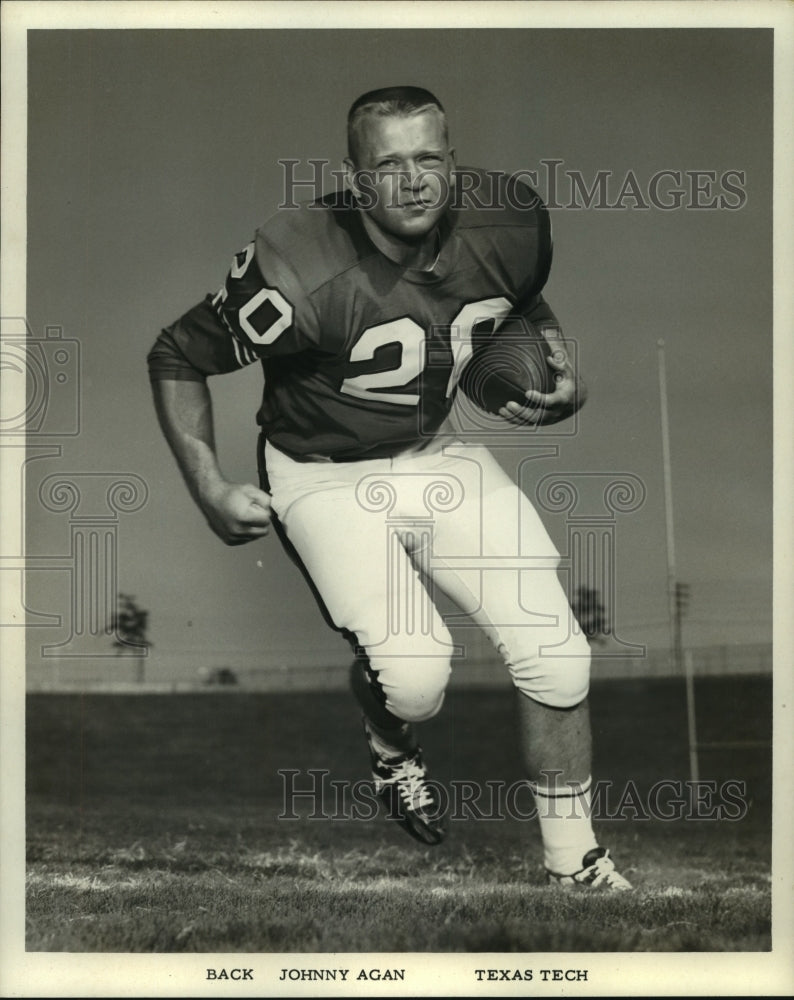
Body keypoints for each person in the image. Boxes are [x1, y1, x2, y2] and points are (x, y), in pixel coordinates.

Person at [147, 86, 632, 890]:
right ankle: (391, 743)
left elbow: (516, 292)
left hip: (435, 454)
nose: (413, 181)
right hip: (324, 474)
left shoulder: (509, 219)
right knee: (415, 676)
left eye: (430, 158)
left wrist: (557, 362)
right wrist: (208, 484)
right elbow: (176, 354)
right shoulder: (299, 265)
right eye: (389, 164)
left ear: (454, 157)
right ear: (356, 178)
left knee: (557, 653)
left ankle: (574, 858)